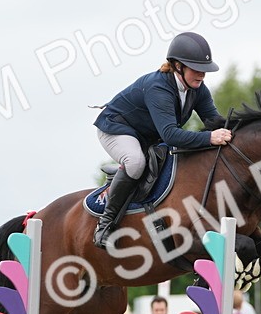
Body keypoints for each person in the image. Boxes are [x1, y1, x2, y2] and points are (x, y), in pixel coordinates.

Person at [91, 32, 233, 248]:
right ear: (177, 66)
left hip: (146, 136)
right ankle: (105, 224)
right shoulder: (159, 87)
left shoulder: (198, 90)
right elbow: (171, 135)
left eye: (204, 70)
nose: (202, 75)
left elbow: (215, 122)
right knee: (136, 162)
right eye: (196, 69)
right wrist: (209, 137)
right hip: (116, 128)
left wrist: (233, 133)